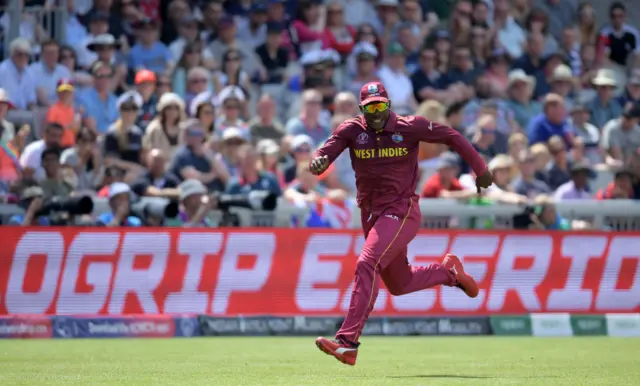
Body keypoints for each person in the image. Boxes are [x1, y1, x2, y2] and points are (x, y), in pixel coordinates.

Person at [309, 81, 492, 365]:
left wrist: (480, 169)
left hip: (402, 210)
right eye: (371, 108)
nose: (377, 113)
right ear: (362, 110)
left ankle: (348, 342)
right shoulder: (352, 130)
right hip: (371, 214)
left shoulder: (410, 126)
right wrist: (318, 161)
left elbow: (453, 136)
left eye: (381, 105)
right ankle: (449, 273)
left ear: (389, 105)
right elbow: (326, 152)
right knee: (400, 283)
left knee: (366, 263)